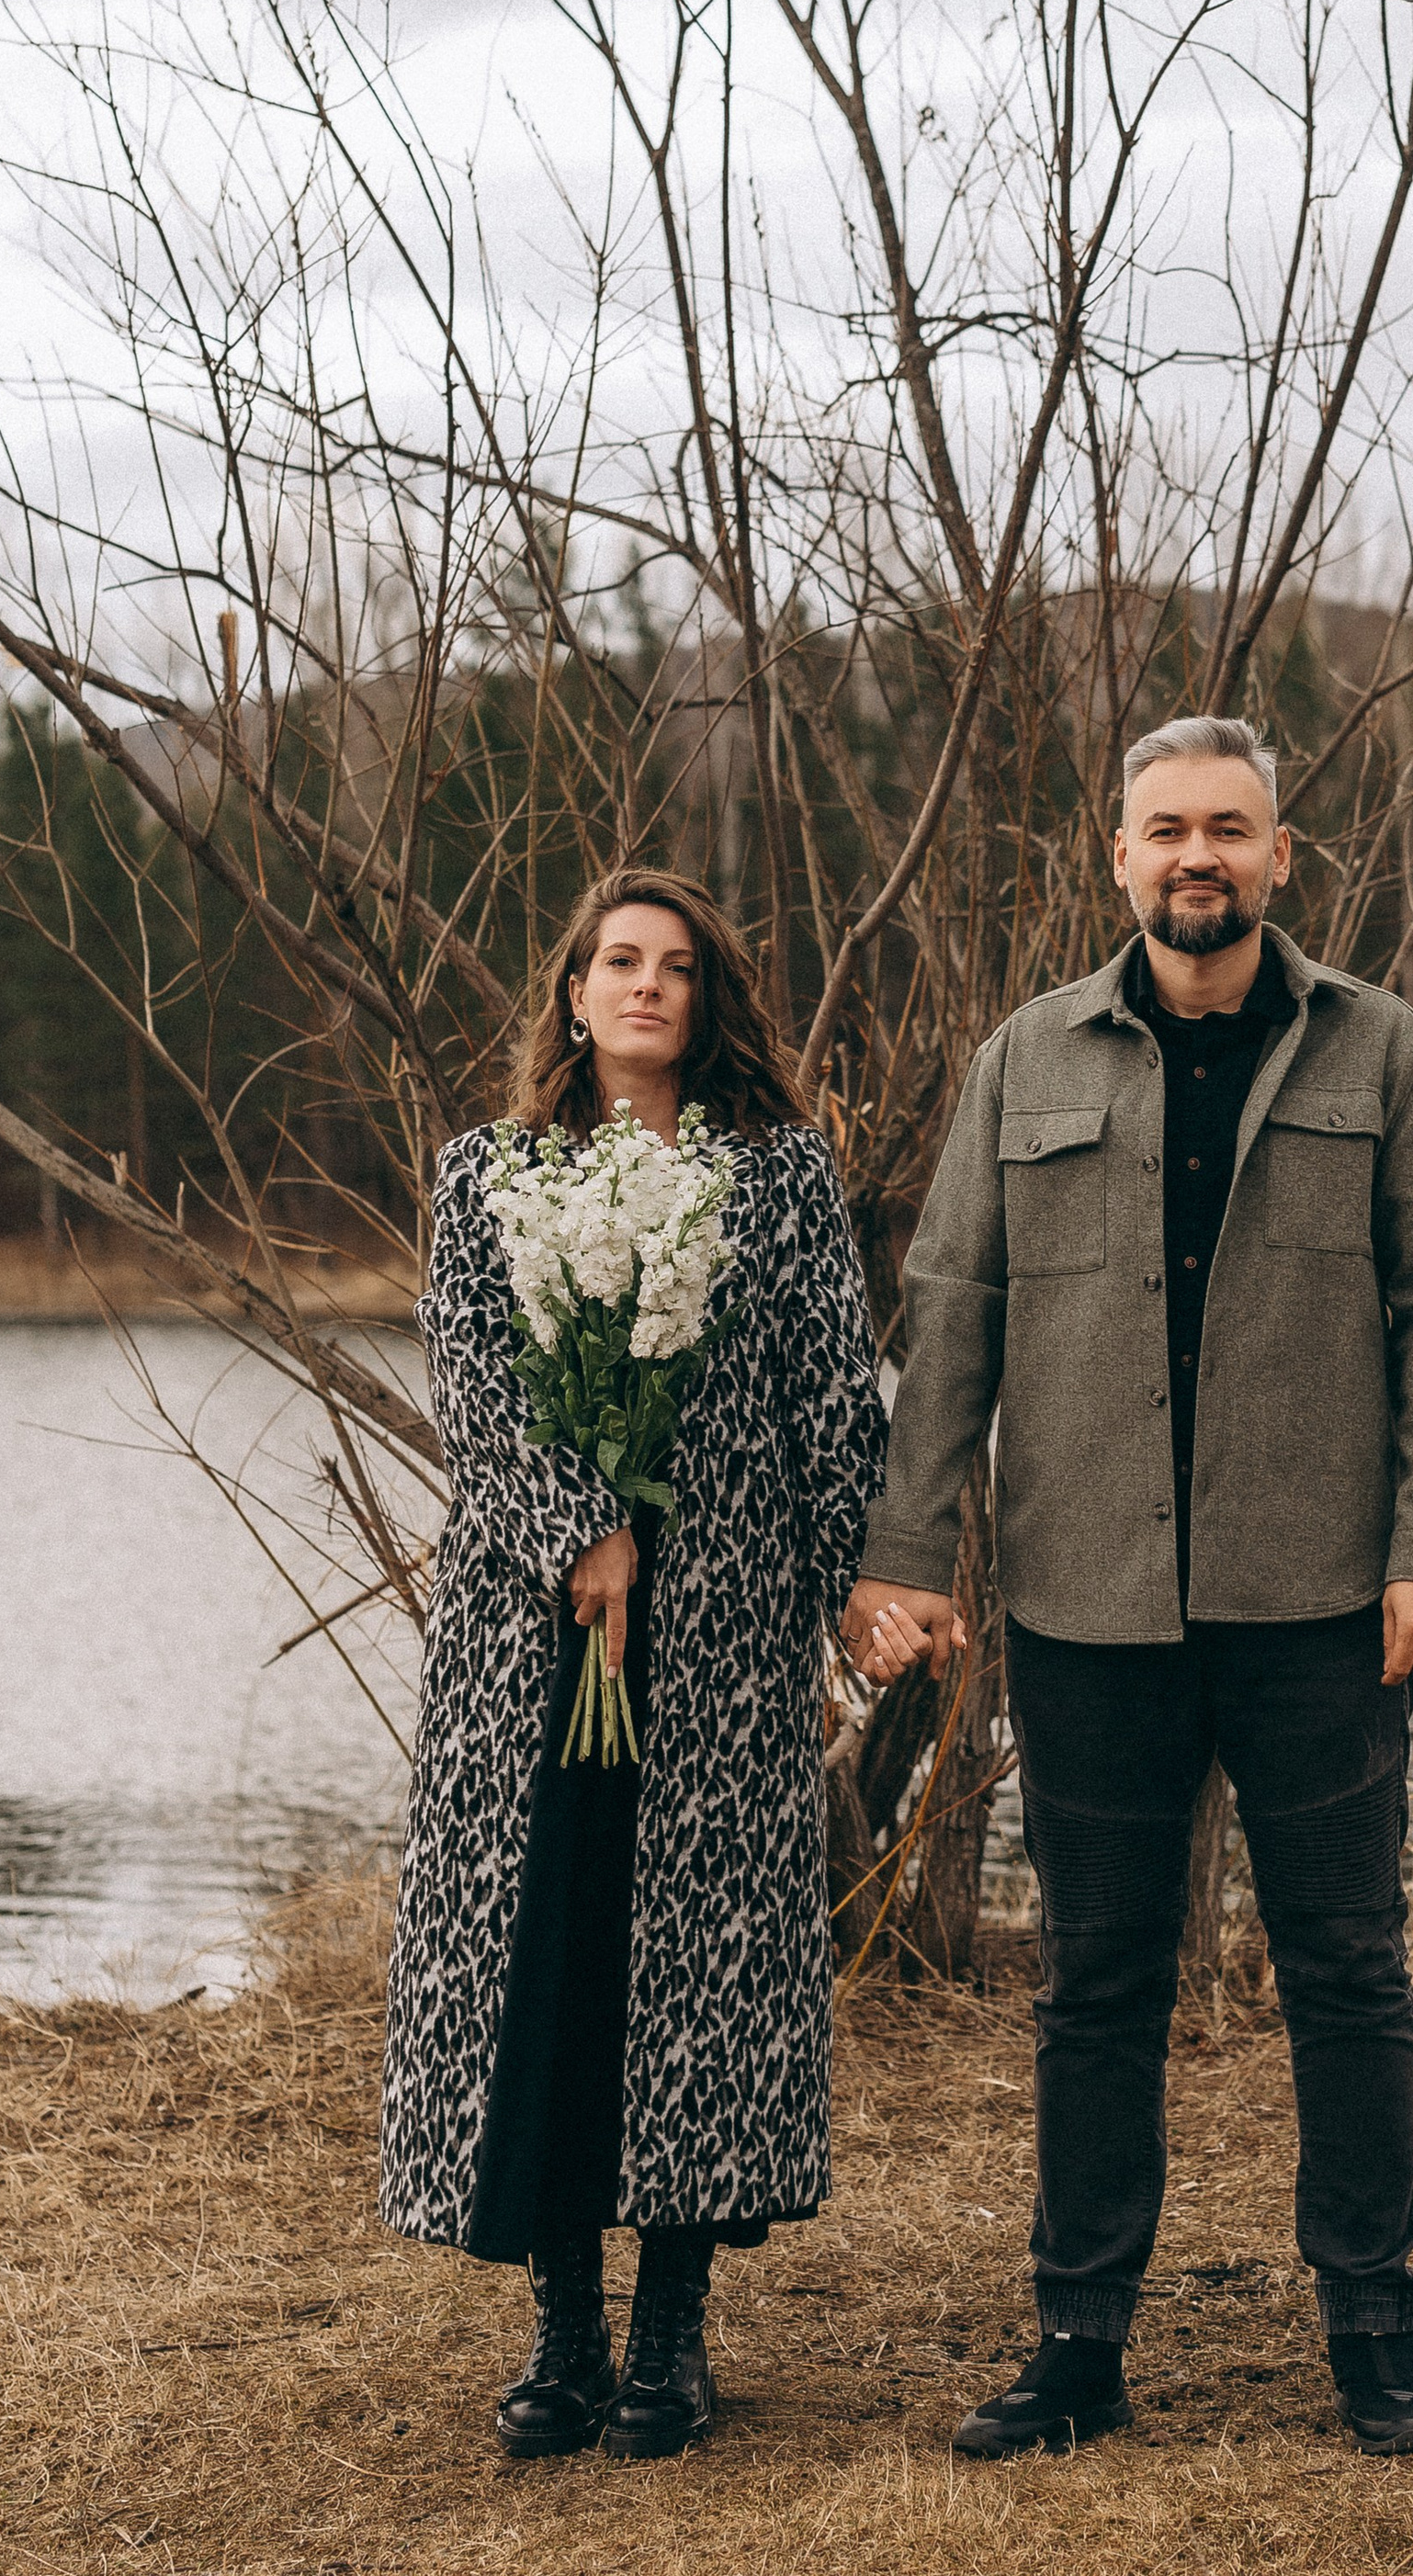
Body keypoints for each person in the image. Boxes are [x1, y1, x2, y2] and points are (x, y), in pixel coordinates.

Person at [843, 716, 1413, 2461]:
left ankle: (1373, 2333)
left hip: (1321, 1609)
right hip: (1090, 1604)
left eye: (1229, 827)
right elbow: (951, 1316)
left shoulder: (1385, 1056)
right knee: (1097, 1982)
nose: (1195, 855)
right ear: (1116, 859)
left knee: (1346, 1970)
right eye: (1164, 830)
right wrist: (908, 1553)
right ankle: (1079, 2345)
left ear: (1284, 857)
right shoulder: (1027, 1061)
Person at [379, 865, 887, 2463]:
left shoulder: (782, 1182)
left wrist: (848, 1597)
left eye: (677, 966)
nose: (648, 986)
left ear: (708, 1000)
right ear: (573, 993)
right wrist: (579, 1525)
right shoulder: (489, 1175)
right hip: (535, 1634)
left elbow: (831, 1403)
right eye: (620, 962)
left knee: (697, 1980)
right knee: (555, 1955)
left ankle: (673, 2335)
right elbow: (468, 1375)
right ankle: (562, 2329)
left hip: (725, 1635)